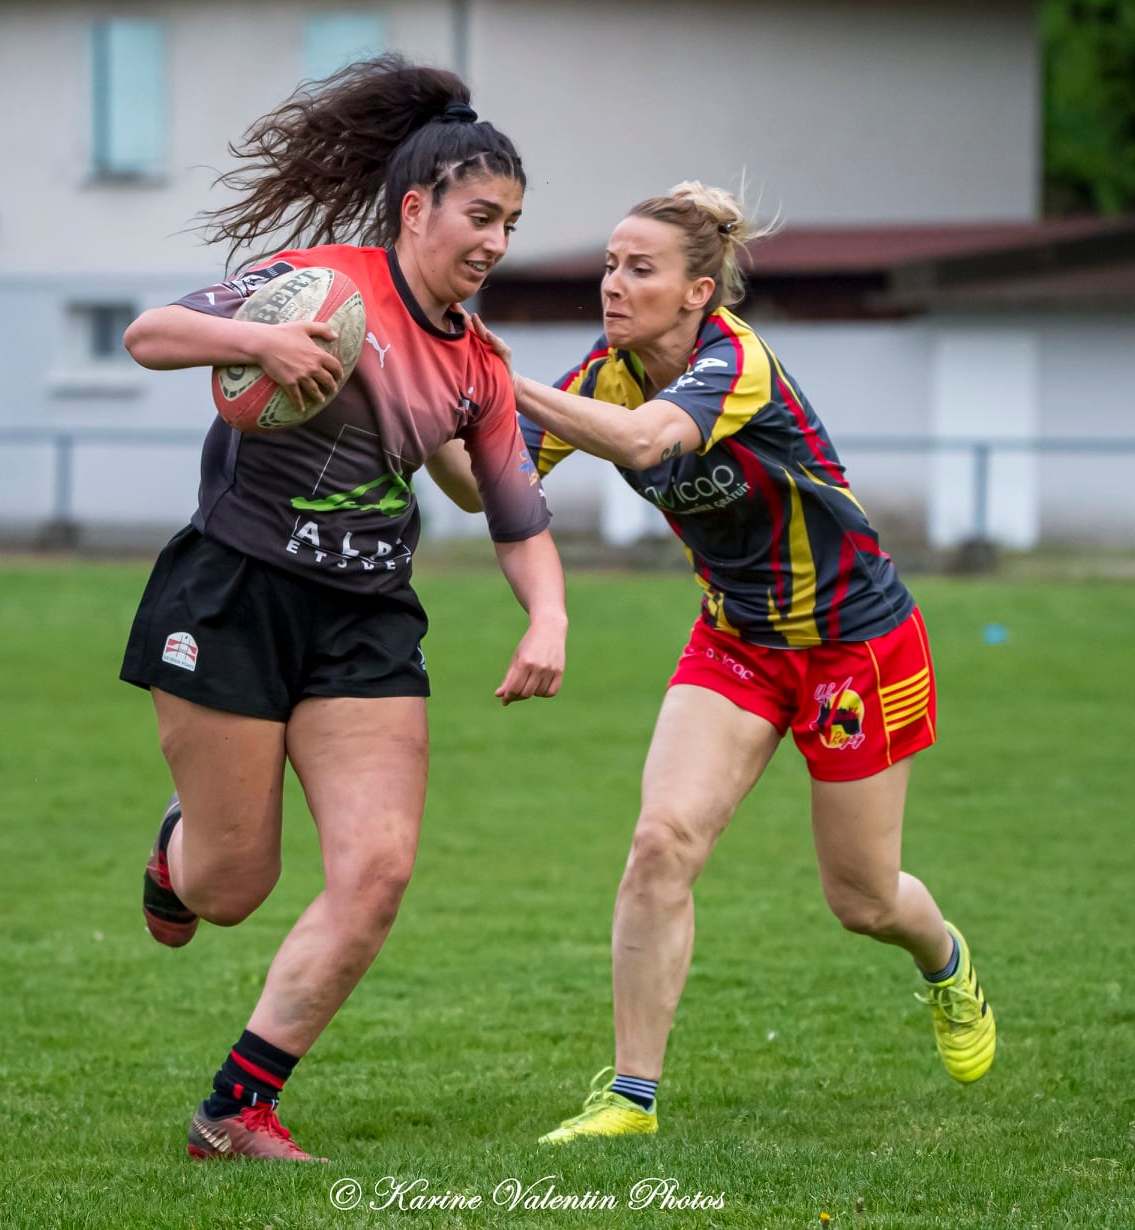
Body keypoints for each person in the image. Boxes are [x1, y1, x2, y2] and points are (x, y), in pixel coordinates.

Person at [435, 181, 995, 1143]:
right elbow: (485, 489)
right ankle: (630, 1098)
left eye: (639, 269)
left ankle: (944, 961)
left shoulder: (736, 362)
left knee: (862, 899)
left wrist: (497, 377)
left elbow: (649, 439)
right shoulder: (604, 373)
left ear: (699, 292)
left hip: (853, 646)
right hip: (736, 640)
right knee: (660, 842)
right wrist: (430, 412)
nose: (614, 284)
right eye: (610, 264)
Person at [118, 56, 566, 1163]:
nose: (496, 243)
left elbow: (516, 512)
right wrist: (259, 341)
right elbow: (150, 334)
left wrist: (546, 617)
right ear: (416, 209)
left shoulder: (480, 367)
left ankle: (235, 1110)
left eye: (510, 224)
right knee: (232, 887)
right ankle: (177, 855)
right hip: (235, 591)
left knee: (376, 872)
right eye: (481, 216)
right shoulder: (320, 283)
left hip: (366, 618)